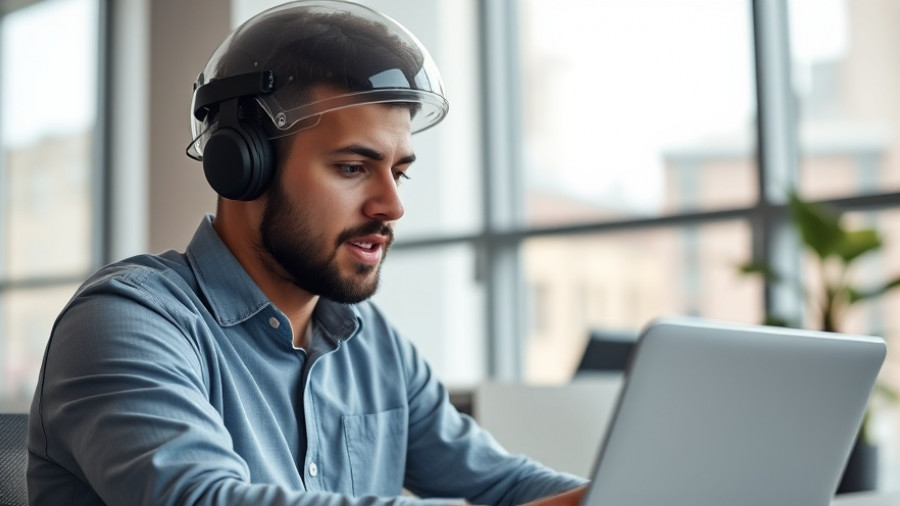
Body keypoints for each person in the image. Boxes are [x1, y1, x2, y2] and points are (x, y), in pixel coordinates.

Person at [26, 1, 587, 505]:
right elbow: (204, 499)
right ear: (243, 167)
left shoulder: (375, 348)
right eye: (352, 168)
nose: (392, 206)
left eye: (399, 172)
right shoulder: (126, 320)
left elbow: (506, 483)